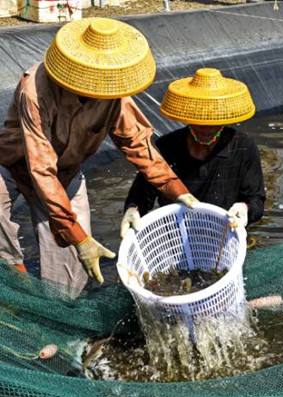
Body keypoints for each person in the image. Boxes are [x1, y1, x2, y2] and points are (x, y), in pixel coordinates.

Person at [0, 18, 196, 298]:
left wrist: (179, 192)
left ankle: (57, 304)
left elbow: (139, 146)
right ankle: (14, 277)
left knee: (69, 285)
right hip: (12, 166)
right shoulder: (35, 90)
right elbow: (41, 168)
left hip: (65, 174)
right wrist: (76, 234)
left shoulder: (114, 97)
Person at [120, 68, 265, 237]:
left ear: (224, 120)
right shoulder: (167, 147)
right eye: (199, 122)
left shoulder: (243, 147)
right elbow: (141, 195)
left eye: (213, 122)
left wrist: (245, 209)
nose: (206, 129)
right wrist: (133, 210)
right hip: (174, 234)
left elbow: (256, 200)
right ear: (188, 118)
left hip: (224, 233)